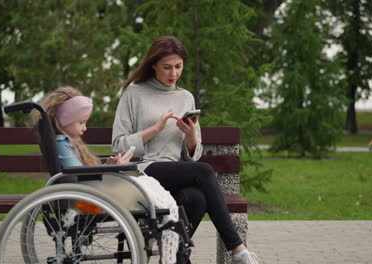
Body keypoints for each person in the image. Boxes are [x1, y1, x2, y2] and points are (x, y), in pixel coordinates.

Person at [112, 36, 262, 264]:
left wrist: (191, 136)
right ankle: (237, 248)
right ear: (153, 64)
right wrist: (155, 129)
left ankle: (172, 258)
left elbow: (193, 153)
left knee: (196, 198)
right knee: (204, 172)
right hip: (142, 170)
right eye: (167, 67)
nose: (173, 73)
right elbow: (118, 144)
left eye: (178, 67)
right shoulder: (134, 94)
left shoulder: (185, 97)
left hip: (174, 172)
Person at [34, 86, 180, 264]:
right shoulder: (62, 143)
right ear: (65, 121)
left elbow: (78, 172)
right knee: (151, 197)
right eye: (81, 122)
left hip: (88, 195)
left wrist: (108, 166)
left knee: (150, 191)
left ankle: (162, 246)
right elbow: (77, 175)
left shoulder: (65, 143)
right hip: (86, 201)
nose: (85, 128)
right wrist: (113, 169)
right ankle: (165, 250)